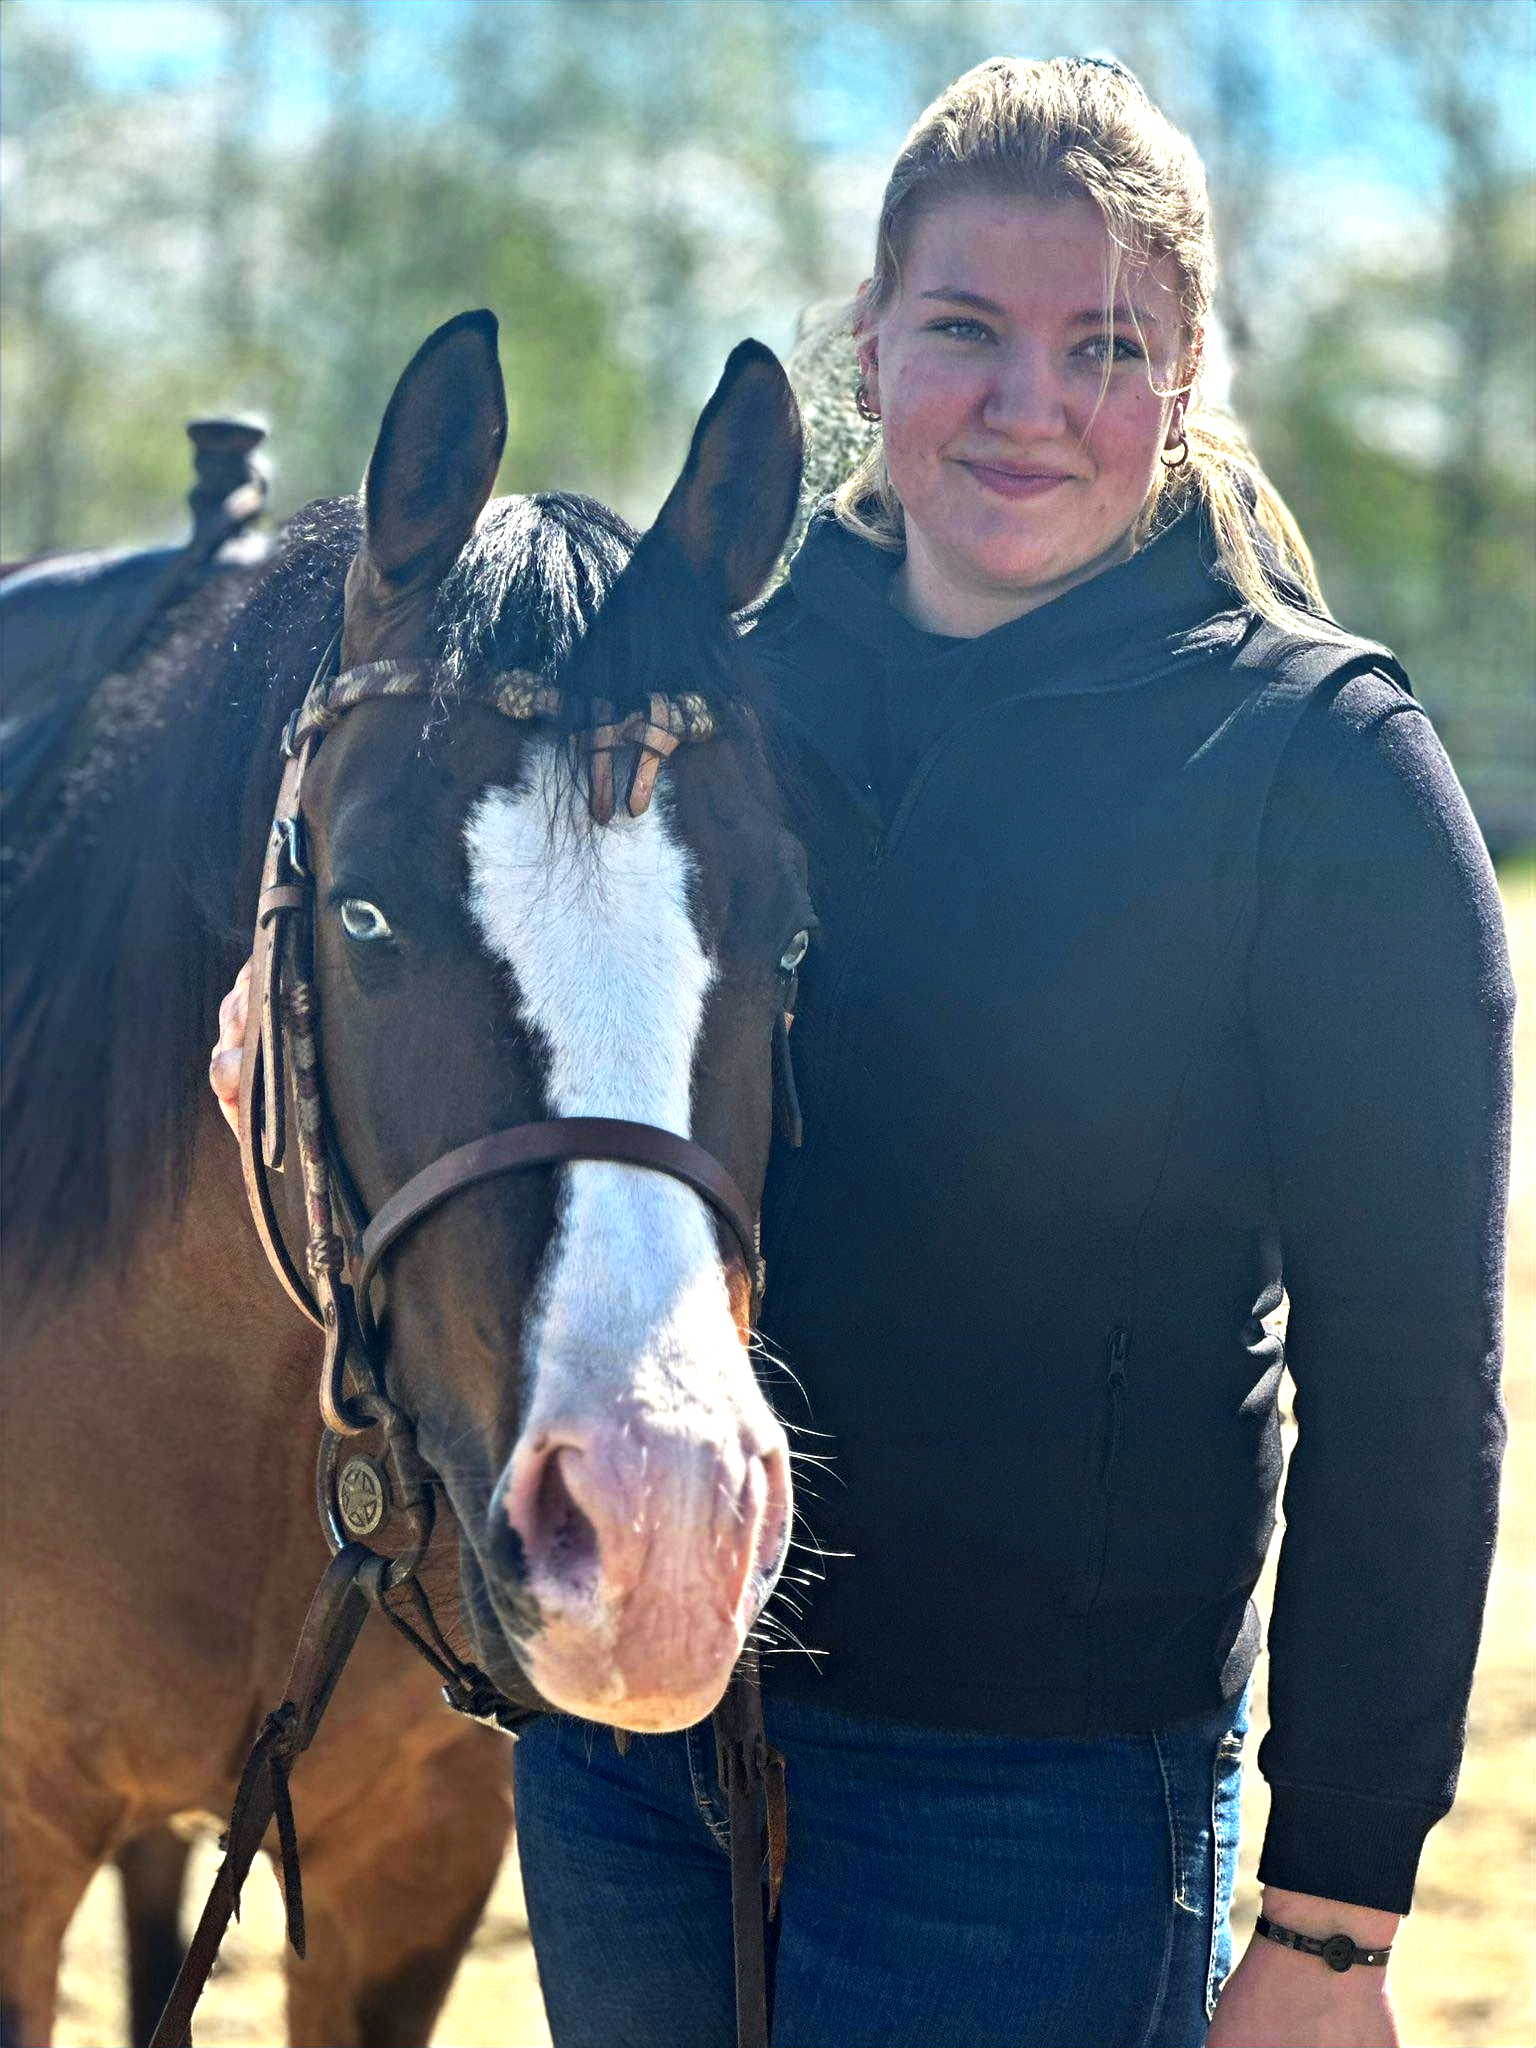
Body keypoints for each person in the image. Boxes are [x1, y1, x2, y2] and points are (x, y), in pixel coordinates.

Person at [210, 56, 1511, 2048]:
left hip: (1037, 1794)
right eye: (967, 332)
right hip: (637, 1734)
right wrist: (264, 986)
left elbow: (1416, 1386)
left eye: (1105, 345)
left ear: (1184, 378)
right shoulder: (713, 657)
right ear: (866, 341)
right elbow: (438, 866)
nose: (1029, 401)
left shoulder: (1322, 772)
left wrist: (1331, 1918)